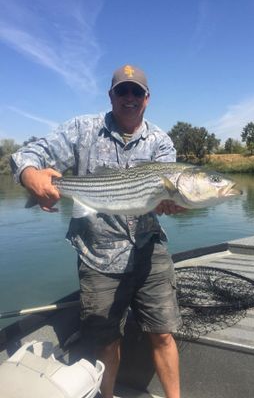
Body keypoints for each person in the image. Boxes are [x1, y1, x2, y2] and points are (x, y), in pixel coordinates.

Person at [11, 64, 183, 398]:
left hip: (149, 251)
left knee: (163, 334)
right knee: (106, 341)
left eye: (137, 92)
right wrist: (31, 176)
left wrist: (174, 203)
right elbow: (28, 154)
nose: (129, 98)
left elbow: (170, 197)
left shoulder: (162, 142)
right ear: (111, 95)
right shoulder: (82, 129)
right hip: (97, 255)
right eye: (123, 91)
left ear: (147, 98)